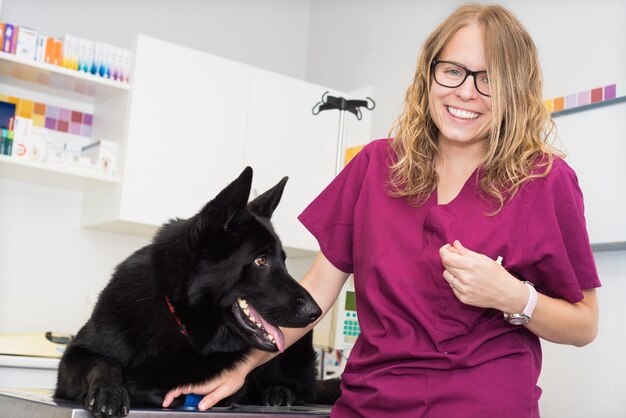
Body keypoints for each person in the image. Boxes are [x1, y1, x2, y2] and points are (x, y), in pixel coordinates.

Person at [162, 3, 600, 417]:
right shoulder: (375, 167)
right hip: (368, 406)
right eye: (452, 71)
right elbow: (315, 290)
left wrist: (512, 296)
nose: (466, 92)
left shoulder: (543, 180)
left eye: (489, 78)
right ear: (430, 75)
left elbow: (583, 325)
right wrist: (242, 365)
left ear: (515, 90)